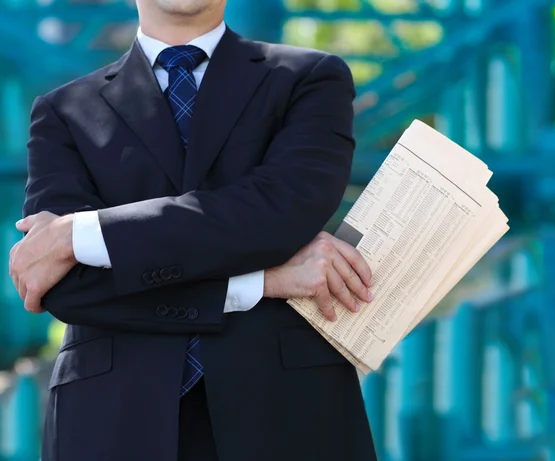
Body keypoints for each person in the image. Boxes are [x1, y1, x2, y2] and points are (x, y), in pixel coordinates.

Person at [8, 0, 378, 460]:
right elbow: (65, 289)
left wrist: (82, 235)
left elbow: (280, 211)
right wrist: (263, 281)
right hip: (112, 420)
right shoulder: (62, 112)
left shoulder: (309, 78)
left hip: (285, 410)